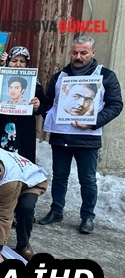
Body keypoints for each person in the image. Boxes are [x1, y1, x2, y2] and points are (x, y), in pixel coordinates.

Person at [39, 36, 123, 234]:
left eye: (83, 53)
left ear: (93, 53)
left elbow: (116, 104)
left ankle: (87, 217)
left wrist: (93, 122)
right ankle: (56, 211)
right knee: (59, 176)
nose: (78, 57)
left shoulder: (106, 76)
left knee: (87, 179)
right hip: (61, 136)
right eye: (75, 52)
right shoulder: (59, 76)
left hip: (88, 138)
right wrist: (48, 114)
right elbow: (48, 102)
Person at [0, 46, 46, 163]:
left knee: (21, 166)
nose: (18, 65)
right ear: (8, 61)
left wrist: (37, 106)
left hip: (22, 132)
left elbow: (45, 105)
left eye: (22, 61)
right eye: (14, 61)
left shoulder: (34, 82)